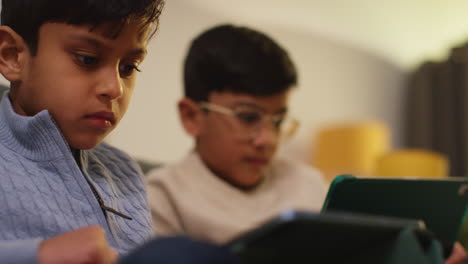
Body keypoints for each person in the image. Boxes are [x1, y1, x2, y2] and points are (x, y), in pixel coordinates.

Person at [0, 0, 164, 263]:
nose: (115, 89)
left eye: (128, 68)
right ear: (12, 55)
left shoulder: (124, 170)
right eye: (88, 59)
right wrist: (39, 255)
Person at [146, 24, 328, 244]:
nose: (268, 140)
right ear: (192, 117)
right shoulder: (162, 198)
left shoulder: (309, 185)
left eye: (278, 121)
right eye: (248, 118)